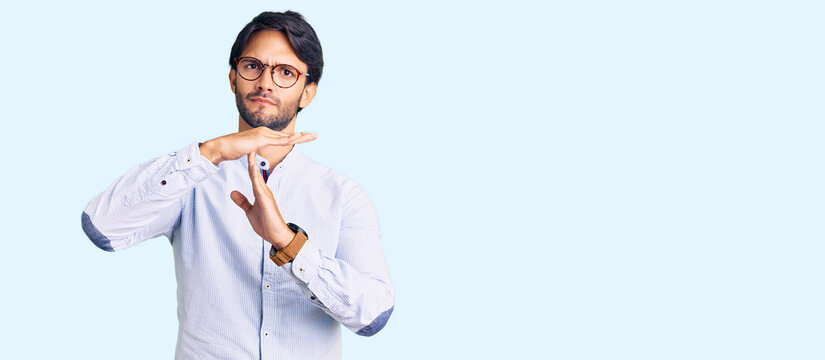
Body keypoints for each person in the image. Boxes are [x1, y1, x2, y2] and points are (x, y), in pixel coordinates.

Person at [81, 11, 394, 359]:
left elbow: (373, 315)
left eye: (286, 72)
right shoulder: (192, 178)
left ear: (308, 93)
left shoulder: (342, 195)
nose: (266, 82)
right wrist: (210, 152)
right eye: (252, 66)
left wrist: (288, 244)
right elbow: (102, 227)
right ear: (233, 78)